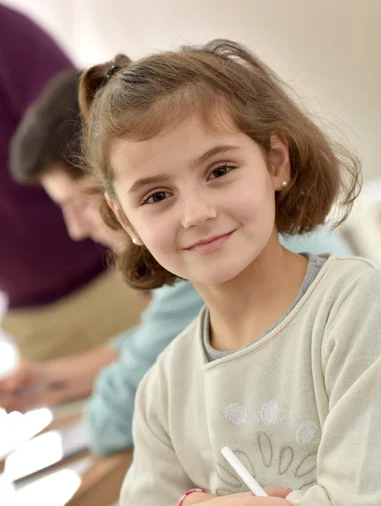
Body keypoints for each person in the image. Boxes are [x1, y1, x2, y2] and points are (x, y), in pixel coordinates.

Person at [78, 39, 381, 506]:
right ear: (125, 219)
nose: (196, 213)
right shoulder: (163, 388)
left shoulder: (359, 309)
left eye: (219, 170)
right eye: (157, 196)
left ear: (275, 161)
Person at [0, 67, 352, 458]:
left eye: (81, 203)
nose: (77, 229)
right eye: (159, 195)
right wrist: (54, 378)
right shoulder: (213, 276)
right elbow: (160, 347)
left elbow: (115, 418)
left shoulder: (213, 256)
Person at [0, 2, 144, 362]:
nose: (75, 226)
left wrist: (131, 245)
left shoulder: (8, 35)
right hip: (29, 315)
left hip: (109, 275)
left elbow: (71, 131)